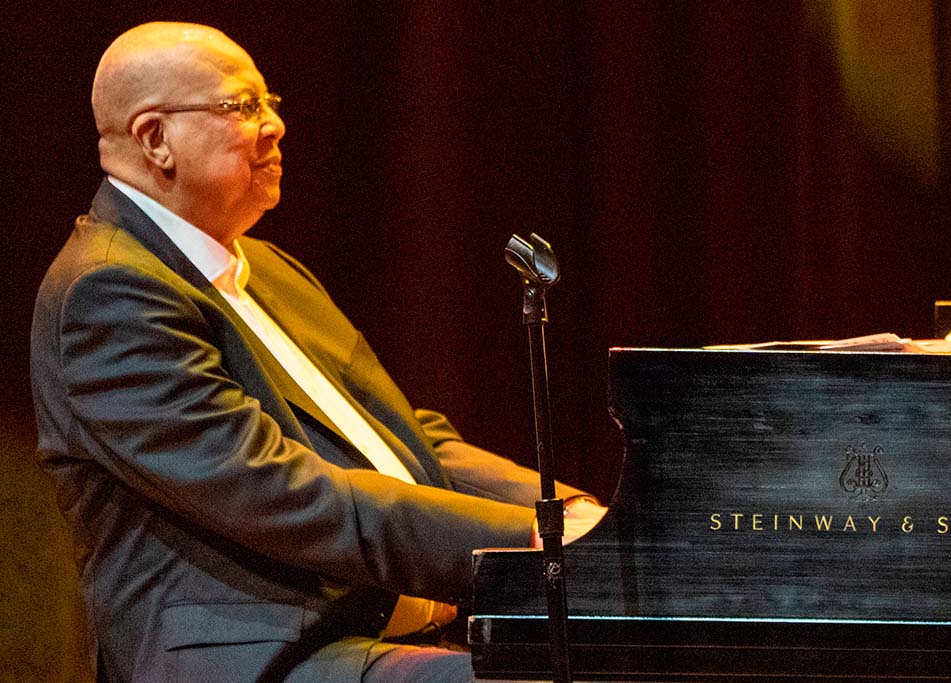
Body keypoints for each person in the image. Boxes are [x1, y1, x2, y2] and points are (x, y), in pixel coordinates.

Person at [31, 22, 604, 683]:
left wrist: (565, 513)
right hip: (264, 655)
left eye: (270, 101)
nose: (273, 124)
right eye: (243, 106)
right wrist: (532, 540)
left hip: (379, 631)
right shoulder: (108, 293)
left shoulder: (269, 268)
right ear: (155, 138)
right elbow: (283, 491)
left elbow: (411, 440)